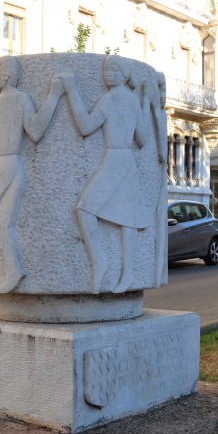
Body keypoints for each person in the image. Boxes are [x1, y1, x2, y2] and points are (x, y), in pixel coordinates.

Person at [60, 56, 165, 293]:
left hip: (117, 160)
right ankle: (114, 269)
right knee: (125, 219)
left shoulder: (110, 100)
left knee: (88, 209)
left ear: (125, 74)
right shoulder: (125, 101)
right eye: (106, 69)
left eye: (114, 69)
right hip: (121, 159)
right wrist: (144, 103)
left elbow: (86, 126)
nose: (108, 73)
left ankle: (107, 265)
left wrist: (72, 91)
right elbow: (142, 138)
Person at [0, 56, 65, 293]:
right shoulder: (20, 100)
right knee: (3, 224)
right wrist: (53, 95)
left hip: (6, 167)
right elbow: (36, 129)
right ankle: (13, 269)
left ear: (8, 76)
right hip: (15, 167)